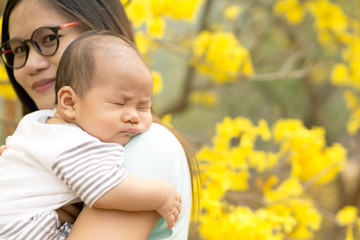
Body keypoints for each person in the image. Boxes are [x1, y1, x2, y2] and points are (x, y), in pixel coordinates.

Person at [1, 0, 199, 239]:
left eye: (49, 39)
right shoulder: (39, 133)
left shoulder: (146, 145)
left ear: (99, 33)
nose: (31, 64)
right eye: (20, 49)